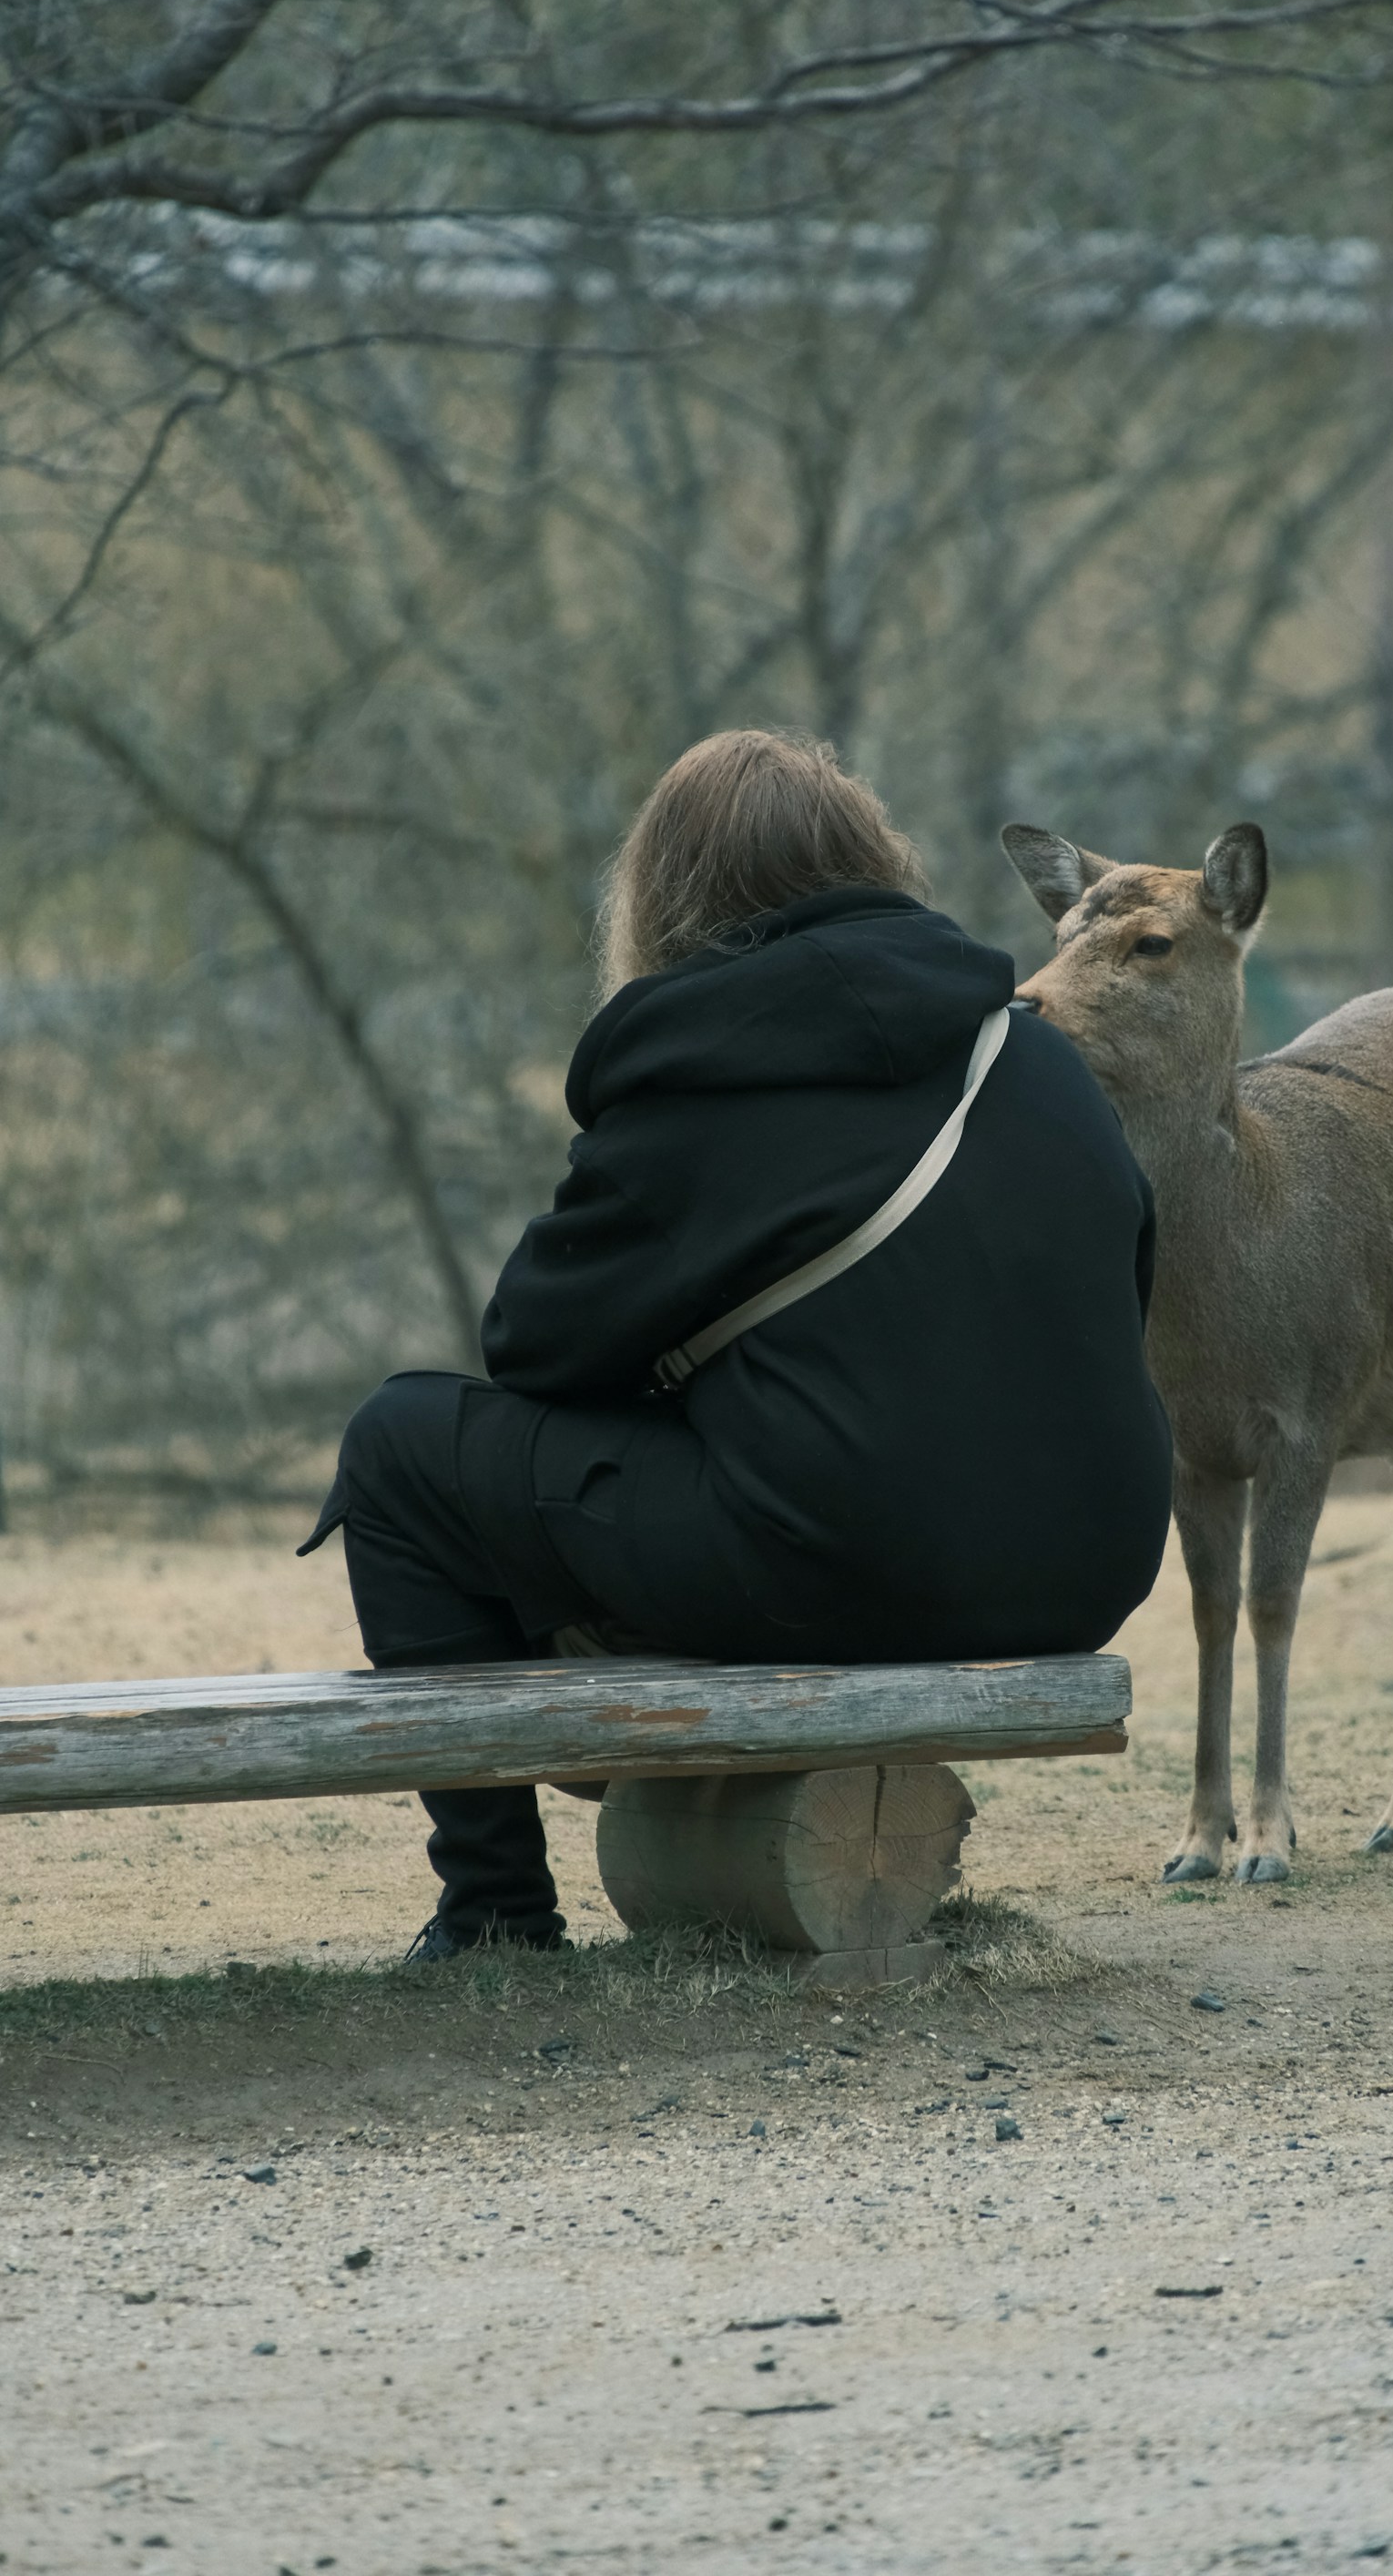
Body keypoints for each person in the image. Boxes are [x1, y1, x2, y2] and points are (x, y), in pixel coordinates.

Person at [300, 729, 1174, 1958]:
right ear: (872, 860)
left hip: (836, 1568)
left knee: (400, 1445)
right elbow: (1119, 1302)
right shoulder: (1032, 1057)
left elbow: (534, 1351)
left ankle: (494, 1911)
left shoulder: (699, 1074)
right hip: (1087, 1571)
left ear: (665, 902)